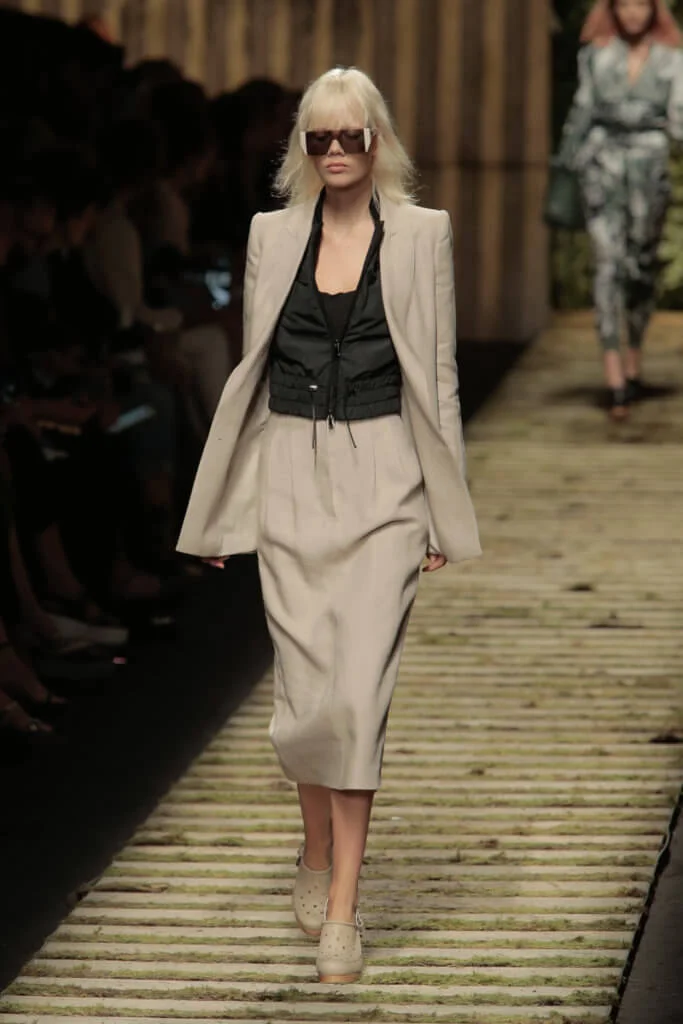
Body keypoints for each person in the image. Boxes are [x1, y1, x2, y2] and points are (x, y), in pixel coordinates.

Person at [176, 67, 480, 983]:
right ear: (301, 148)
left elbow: (439, 372)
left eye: (352, 136)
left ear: (377, 140)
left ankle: (345, 906)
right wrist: (230, 504)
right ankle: (313, 846)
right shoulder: (270, 235)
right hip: (293, 473)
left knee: (356, 693)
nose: (337, 151)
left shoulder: (423, 233)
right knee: (305, 697)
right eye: (320, 138)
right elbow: (253, 371)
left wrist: (442, 502)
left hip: (387, 472)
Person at [557, 0, 683, 420]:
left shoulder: (672, 59)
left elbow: (679, 116)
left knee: (641, 266)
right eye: (624, 3)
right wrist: (564, 167)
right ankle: (615, 377)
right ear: (611, 8)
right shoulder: (595, 55)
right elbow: (582, 110)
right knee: (608, 263)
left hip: (649, 171)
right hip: (602, 166)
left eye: (640, 3)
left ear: (654, 9)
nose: (632, 12)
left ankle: (633, 358)